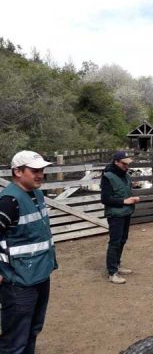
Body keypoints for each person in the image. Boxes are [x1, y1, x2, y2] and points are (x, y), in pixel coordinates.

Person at [0, 150, 57, 353]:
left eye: (41, 170)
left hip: (40, 273)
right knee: (15, 339)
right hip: (19, 282)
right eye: (34, 170)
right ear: (17, 171)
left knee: (33, 329)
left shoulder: (37, 194)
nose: (40, 174)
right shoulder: (8, 201)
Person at [101, 151, 140, 284]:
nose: (126, 166)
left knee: (123, 240)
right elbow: (105, 199)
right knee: (115, 242)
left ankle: (117, 265)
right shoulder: (108, 176)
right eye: (124, 164)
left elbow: (124, 191)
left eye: (127, 164)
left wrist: (131, 199)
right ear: (116, 162)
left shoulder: (125, 175)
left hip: (126, 213)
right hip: (115, 214)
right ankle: (112, 272)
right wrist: (125, 201)